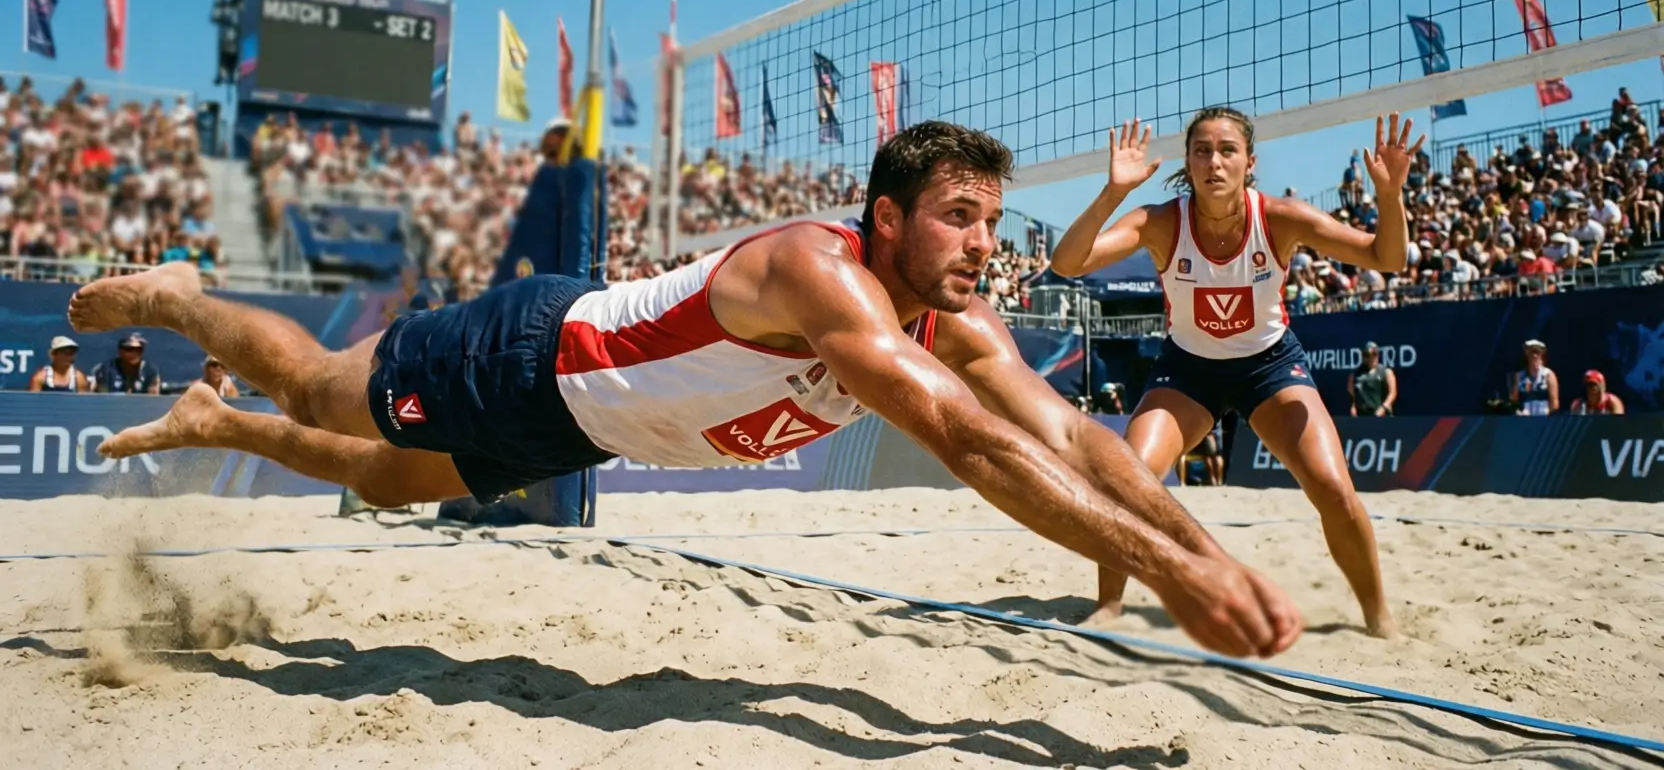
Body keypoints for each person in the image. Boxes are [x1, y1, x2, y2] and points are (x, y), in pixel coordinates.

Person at [71, 121, 1303, 661]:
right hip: (530, 351)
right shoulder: (817, 275)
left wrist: (1199, 548)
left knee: (392, 488)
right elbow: (969, 447)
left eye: (993, 217)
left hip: (575, 425)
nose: (985, 242)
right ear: (886, 218)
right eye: (958, 216)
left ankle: (214, 420)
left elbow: (1070, 439)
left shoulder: (951, 315)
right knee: (321, 387)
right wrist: (1173, 575)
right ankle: (182, 292)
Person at [1050, 108, 1415, 639]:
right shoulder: (1162, 221)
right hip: (1188, 369)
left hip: (1268, 367)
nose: (1213, 161)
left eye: (1226, 150)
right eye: (1202, 150)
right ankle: (1109, 605)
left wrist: (1389, 196)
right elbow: (1067, 263)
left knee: (1334, 491)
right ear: (1188, 162)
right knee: (1125, 479)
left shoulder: (1281, 217)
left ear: (1249, 163)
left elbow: (1388, 258)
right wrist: (1113, 193)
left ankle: (1379, 618)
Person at [91, 333, 162, 394]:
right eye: (130, 350)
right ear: (120, 351)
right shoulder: (106, 370)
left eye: (139, 350)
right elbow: (103, 398)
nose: (135, 353)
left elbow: (152, 400)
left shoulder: (149, 371)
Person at [1347, 342, 1397, 416]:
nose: (1371, 358)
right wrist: (1353, 406)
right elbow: (1352, 394)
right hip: (1362, 416)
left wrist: (1384, 407)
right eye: (1368, 355)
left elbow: (1392, 393)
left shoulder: (1386, 372)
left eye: (1374, 354)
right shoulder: (1355, 374)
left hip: (1381, 415)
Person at [1509, 340, 1557, 415]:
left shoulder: (1548, 375)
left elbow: (1554, 402)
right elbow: (1514, 400)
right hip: (1525, 418)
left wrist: (1549, 415)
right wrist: (1518, 412)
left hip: (1544, 417)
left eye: (1537, 352)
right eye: (1531, 352)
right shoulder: (1519, 376)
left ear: (1542, 354)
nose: (1534, 355)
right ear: (1526, 353)